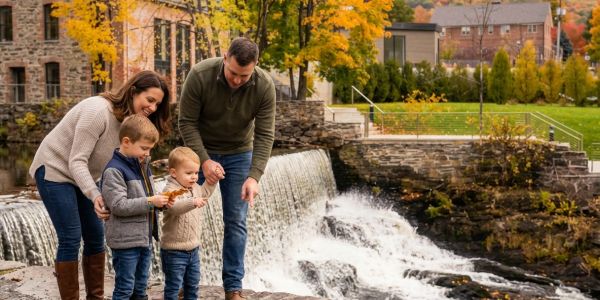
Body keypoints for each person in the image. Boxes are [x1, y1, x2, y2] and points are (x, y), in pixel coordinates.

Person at [29, 70, 171, 300]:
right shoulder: (97, 111)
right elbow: (76, 160)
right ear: (133, 92)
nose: (153, 108)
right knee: (71, 237)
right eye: (150, 100)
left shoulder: (132, 124)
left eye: (158, 103)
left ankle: (95, 297)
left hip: (86, 175)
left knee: (96, 236)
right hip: (54, 170)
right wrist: (95, 195)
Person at [178, 37, 276, 300]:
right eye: (233, 73)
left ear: (255, 67)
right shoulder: (200, 75)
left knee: (236, 221)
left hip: (239, 154)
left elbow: (265, 135)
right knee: (185, 216)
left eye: (244, 76)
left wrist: (254, 176)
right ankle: (182, 284)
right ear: (225, 57)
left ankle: (233, 288)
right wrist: (204, 160)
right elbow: (186, 122)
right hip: (201, 152)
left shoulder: (264, 85)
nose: (236, 80)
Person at [101, 114, 170, 300]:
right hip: (125, 243)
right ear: (126, 142)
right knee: (125, 288)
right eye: (144, 148)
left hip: (143, 239)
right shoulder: (114, 171)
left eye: (150, 149)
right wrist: (150, 202)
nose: (148, 153)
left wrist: (160, 204)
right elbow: (118, 206)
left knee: (140, 288)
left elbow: (148, 196)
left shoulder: (143, 166)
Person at [160, 147, 220, 300]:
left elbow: (204, 193)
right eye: (189, 173)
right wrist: (193, 202)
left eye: (196, 173)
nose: (194, 177)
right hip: (174, 252)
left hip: (193, 250)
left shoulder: (193, 187)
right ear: (173, 173)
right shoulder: (170, 190)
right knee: (173, 288)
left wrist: (212, 181)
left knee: (192, 286)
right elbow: (175, 207)